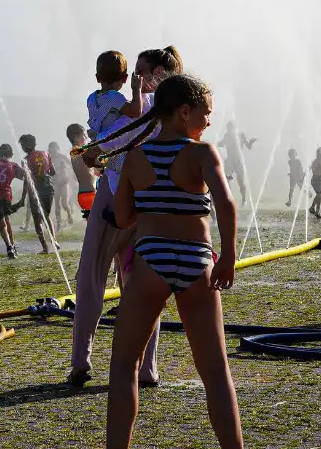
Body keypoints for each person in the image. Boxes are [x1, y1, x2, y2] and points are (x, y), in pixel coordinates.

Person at [102, 73, 242, 449]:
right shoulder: (201, 154)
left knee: (123, 368)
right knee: (215, 371)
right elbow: (226, 203)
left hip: (150, 261)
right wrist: (227, 257)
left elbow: (124, 217)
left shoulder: (135, 157)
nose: (208, 122)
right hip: (198, 262)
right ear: (184, 112)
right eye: (205, 113)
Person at [67, 45, 183, 388]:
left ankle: (81, 361)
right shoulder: (175, 113)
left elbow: (107, 142)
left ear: (157, 75)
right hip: (151, 205)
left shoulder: (143, 106)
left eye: (142, 72)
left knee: (91, 276)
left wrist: (90, 152)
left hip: (115, 197)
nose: (137, 78)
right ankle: (147, 367)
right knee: (144, 285)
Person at [0, 144, 26, 258]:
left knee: (2, 222)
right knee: (7, 219)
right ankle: (12, 246)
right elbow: (26, 178)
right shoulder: (13, 166)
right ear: (11, 155)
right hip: (6, 196)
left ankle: (9, 247)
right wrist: (25, 168)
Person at [20, 134, 58, 252]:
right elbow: (53, 172)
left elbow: (27, 180)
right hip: (48, 188)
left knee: (37, 219)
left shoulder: (25, 160)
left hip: (35, 190)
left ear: (25, 146)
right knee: (46, 216)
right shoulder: (46, 154)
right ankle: (54, 241)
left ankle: (45, 248)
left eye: (22, 145)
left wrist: (22, 198)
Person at [218, 122, 256, 206]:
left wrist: (251, 142)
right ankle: (229, 198)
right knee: (226, 179)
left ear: (234, 128)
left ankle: (244, 200)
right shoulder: (226, 135)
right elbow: (222, 143)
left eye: (230, 128)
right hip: (230, 159)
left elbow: (248, 147)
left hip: (239, 160)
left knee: (241, 181)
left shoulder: (241, 135)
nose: (228, 130)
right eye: (227, 128)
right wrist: (215, 143)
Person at [67, 124, 98, 218]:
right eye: (83, 135)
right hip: (87, 194)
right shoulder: (74, 151)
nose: (85, 137)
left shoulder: (83, 153)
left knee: (96, 225)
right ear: (75, 137)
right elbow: (77, 152)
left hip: (91, 193)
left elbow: (95, 172)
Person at [49, 141, 75, 228]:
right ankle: (58, 222)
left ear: (57, 148)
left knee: (64, 204)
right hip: (55, 183)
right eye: (51, 149)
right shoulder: (48, 158)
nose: (53, 151)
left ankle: (69, 214)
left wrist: (71, 173)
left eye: (55, 148)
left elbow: (71, 165)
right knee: (56, 204)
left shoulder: (62, 157)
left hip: (64, 182)